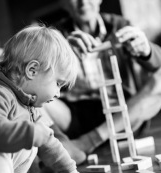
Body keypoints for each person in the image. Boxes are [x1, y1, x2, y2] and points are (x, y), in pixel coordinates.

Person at [43, 0, 161, 160]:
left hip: (124, 112)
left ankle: (84, 143)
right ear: (64, 3)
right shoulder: (55, 35)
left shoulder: (120, 25)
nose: (83, 2)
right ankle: (65, 145)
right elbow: (40, 78)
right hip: (73, 117)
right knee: (27, 94)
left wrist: (146, 50)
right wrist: (62, 55)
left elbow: (157, 64)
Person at [0, 24, 80, 173]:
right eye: (58, 83)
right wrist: (31, 133)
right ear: (32, 70)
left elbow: (49, 143)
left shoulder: (28, 106)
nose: (58, 93)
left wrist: (70, 170)